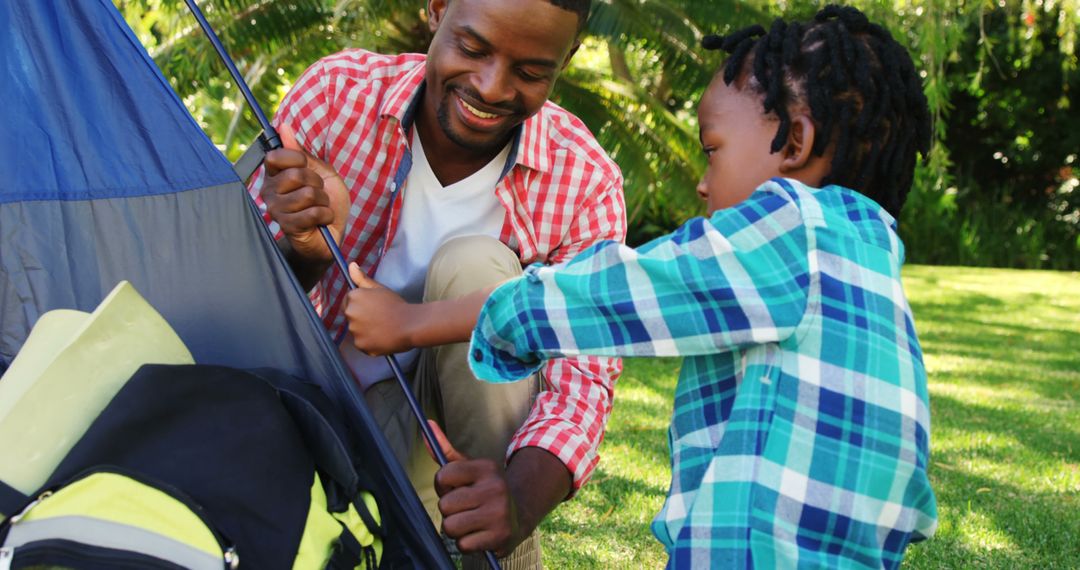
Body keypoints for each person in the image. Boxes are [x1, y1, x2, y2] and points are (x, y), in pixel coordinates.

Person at [455, 5, 939, 568]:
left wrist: (445, 319)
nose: (705, 185)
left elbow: (625, 292)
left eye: (712, 149)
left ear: (795, 144)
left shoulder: (790, 229)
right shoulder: (873, 260)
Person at [249, 0, 625, 567]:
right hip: (307, 411)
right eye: (473, 49)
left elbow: (582, 379)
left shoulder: (584, 179)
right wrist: (305, 253)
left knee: (475, 267)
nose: (492, 87)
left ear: (566, 59)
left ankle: (487, 545)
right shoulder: (335, 97)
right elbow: (237, 296)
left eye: (530, 73)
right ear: (437, 10)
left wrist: (517, 503)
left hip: (445, 449)